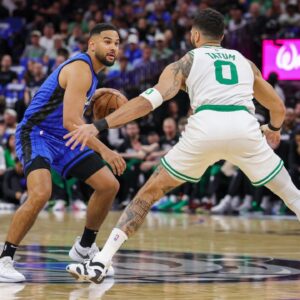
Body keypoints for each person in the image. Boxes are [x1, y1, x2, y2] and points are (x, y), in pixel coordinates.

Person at [65, 8, 299, 284]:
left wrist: (99, 125)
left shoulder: (185, 61)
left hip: (205, 129)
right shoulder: (245, 62)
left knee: (148, 194)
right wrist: (272, 130)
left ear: (195, 35)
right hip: (244, 128)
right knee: (291, 194)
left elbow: (152, 99)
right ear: (222, 36)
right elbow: (277, 107)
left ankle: (100, 262)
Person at [0, 23, 126, 283]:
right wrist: (105, 151)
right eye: (107, 41)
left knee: (108, 185)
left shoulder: (92, 76)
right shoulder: (81, 69)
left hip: (64, 138)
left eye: (116, 43)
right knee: (41, 192)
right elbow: (71, 121)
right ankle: (4, 258)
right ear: (92, 44)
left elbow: (71, 121)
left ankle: (83, 248)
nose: (113, 47)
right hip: (37, 133)